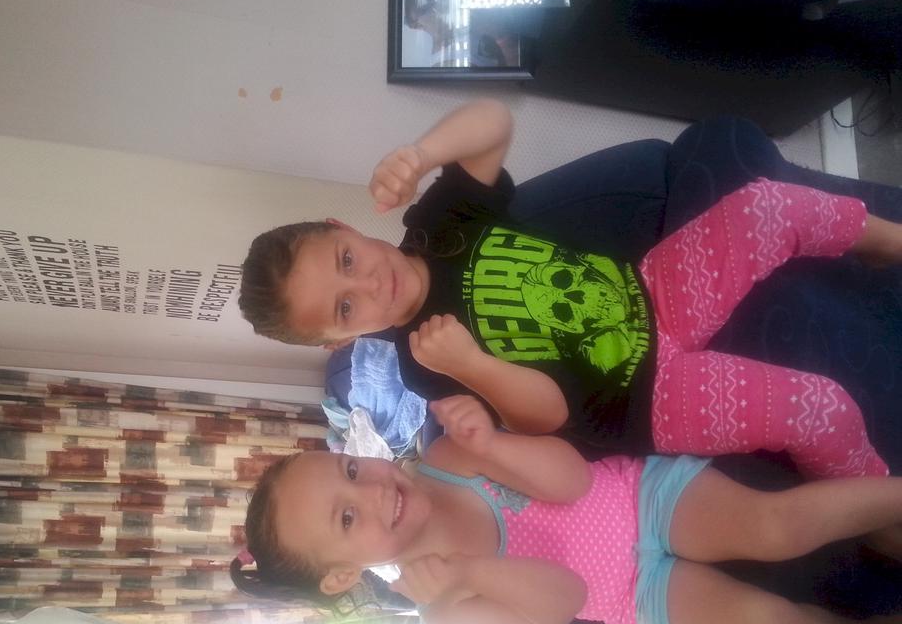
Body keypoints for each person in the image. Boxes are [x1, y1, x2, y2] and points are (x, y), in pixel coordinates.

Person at [239, 100, 901, 480]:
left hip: (654, 290)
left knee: (766, 206)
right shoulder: (423, 364)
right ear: (341, 340)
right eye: (345, 306)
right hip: (647, 397)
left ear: (344, 227)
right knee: (819, 408)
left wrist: (421, 153)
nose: (368, 282)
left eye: (346, 259)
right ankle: (878, 512)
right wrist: (471, 365)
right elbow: (546, 417)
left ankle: (887, 242)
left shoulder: (438, 226)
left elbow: (494, 121)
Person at [231, 394, 902, 624]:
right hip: (633, 598)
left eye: (351, 470)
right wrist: (469, 573)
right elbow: (564, 599)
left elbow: (573, 481)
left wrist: (492, 444)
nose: (373, 491)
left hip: (640, 500)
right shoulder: (445, 616)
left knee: (776, 526)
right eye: (347, 518)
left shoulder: (446, 459)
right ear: (343, 575)